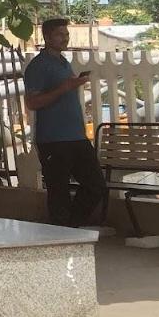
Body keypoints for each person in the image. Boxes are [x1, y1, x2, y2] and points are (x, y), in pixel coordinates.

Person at [24, 17, 107, 227]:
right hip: (53, 139)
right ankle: (62, 230)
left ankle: (71, 225)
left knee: (95, 184)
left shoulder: (63, 63)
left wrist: (72, 85)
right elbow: (33, 102)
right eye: (60, 34)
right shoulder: (38, 66)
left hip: (76, 136)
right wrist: (64, 88)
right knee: (58, 189)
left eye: (66, 34)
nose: (65, 38)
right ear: (47, 37)